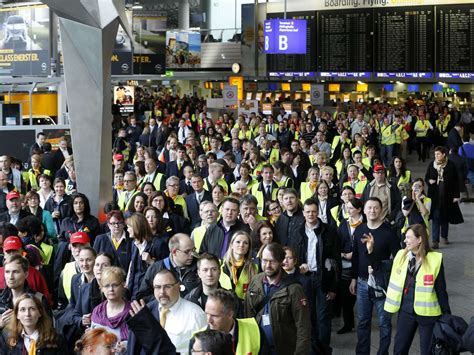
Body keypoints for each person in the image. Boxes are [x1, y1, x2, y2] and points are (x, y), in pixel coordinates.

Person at [384, 224, 450, 355]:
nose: (405, 240)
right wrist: (370, 253)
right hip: (406, 311)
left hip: (428, 314)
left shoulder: (434, 260)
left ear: (419, 239)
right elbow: (384, 269)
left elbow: (441, 290)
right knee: (399, 349)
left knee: (427, 351)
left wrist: (447, 316)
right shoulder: (401, 256)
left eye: (408, 237)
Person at [350, 197, 400, 355]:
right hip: (363, 283)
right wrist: (353, 278)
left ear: (381, 210)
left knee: (385, 323)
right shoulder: (359, 230)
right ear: (363, 210)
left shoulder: (388, 233)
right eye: (369, 208)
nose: (372, 211)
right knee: (363, 322)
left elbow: (398, 259)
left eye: (376, 208)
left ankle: (382, 352)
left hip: (382, 284)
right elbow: (356, 257)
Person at [245, 242, 311, 355]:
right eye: (264, 260)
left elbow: (303, 326)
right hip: (258, 347)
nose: (268, 265)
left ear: (281, 262)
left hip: (284, 349)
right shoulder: (255, 282)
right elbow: (247, 315)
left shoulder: (294, 289)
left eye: (273, 261)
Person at [292, 198, 340, 350]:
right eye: (308, 212)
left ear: (318, 212)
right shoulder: (297, 231)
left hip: (323, 279)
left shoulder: (329, 231)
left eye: (314, 211)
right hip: (304, 279)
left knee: (324, 317)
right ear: (303, 213)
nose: (311, 214)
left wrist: (333, 287)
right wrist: (298, 266)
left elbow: (336, 260)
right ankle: (312, 348)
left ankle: (324, 349)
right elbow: (292, 255)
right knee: (308, 316)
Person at [130, 269, 207, 354]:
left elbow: (204, 349)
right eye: (158, 287)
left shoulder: (195, 314)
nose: (162, 292)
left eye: (167, 286)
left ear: (178, 286)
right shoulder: (146, 312)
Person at [137, 233, 200, 300]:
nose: (192, 254)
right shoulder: (156, 268)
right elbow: (142, 296)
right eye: (187, 251)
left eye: (193, 250)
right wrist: (164, 300)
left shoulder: (199, 266)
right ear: (174, 252)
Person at [0, 293, 67, 354]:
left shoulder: (56, 339)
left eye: (32, 309)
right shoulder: (7, 337)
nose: (27, 314)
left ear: (40, 313)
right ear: (17, 315)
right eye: (23, 309)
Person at [204, 289, 265, 355]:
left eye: (214, 316)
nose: (208, 320)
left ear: (230, 314)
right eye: (206, 314)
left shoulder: (254, 330)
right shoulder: (197, 341)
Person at [0, 255, 50, 330]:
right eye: (7, 272)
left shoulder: (39, 300)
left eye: (15, 272)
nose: (10, 277)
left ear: (26, 274)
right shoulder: (1, 300)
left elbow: (49, 332)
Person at [425, 146, 462, 248]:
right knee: (436, 218)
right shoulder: (432, 165)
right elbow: (426, 177)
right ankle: (435, 241)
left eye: (438, 154)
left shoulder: (450, 165)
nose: (436, 156)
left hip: (447, 196)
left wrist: (456, 195)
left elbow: (455, 181)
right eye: (435, 154)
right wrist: (429, 181)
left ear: (444, 154)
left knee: (445, 217)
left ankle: (444, 236)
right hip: (435, 196)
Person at [336, 197, 363, 334]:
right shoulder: (344, 224)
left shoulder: (364, 223)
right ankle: (348, 323)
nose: (348, 210)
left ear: (359, 209)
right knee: (346, 297)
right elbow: (338, 242)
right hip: (346, 265)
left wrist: (355, 253)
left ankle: (364, 323)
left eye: (351, 208)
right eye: (347, 207)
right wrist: (343, 254)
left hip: (361, 264)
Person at [91, 266, 131, 352]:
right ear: (101, 289)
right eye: (106, 286)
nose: (111, 289)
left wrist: (126, 346)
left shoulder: (133, 311)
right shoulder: (97, 312)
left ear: (123, 285)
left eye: (115, 285)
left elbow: (141, 341)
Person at [125, 213, 159, 299]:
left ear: (136, 227)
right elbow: (131, 266)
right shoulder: (133, 244)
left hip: (149, 295)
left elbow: (165, 269)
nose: (127, 230)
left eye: (129, 227)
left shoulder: (157, 244)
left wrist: (151, 262)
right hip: (133, 292)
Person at [221, 231, 258, 302]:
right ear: (231, 245)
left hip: (244, 308)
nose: (241, 245)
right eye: (238, 242)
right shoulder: (220, 265)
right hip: (223, 306)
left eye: (245, 243)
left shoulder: (254, 268)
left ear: (248, 248)